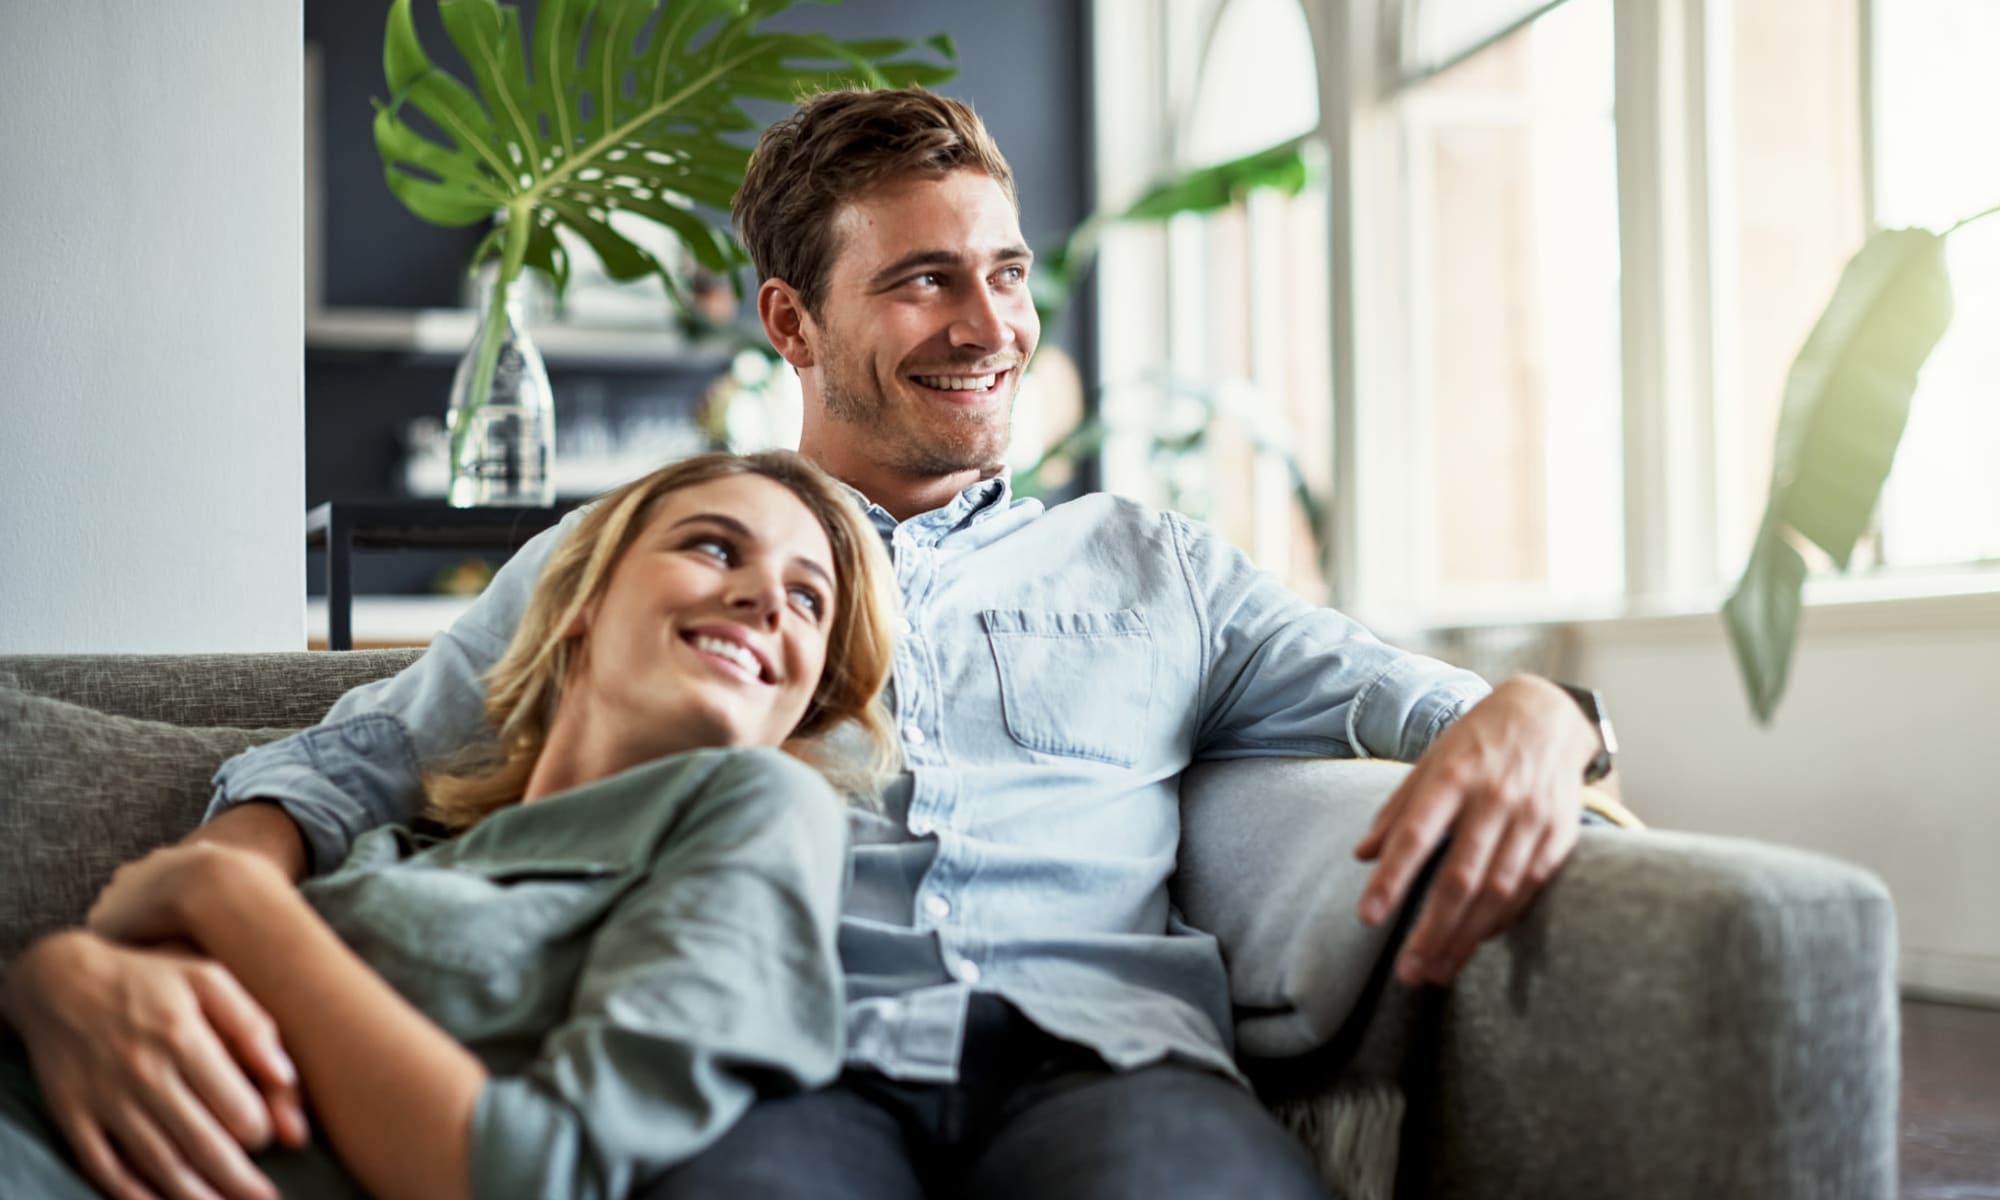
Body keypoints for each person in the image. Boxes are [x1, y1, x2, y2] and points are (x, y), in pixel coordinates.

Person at [3, 89, 1613, 1200]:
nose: (988, 326)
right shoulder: (648, 554)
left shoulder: (1159, 567)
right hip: (764, 1069)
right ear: (791, 322)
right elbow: (345, 758)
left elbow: (1436, 705)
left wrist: (1548, 712)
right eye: (923, 282)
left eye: (1001, 273)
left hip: (1107, 1065)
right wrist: (163, 961)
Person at [1, 450, 898, 1200]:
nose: (767, 601)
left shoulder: (767, 813)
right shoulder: (405, 840)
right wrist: (46, 976)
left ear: (805, 694)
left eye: (810, 599)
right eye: (712, 547)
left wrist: (226, 894)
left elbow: (541, 1170)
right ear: (581, 603)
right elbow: (135, 958)